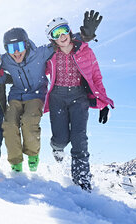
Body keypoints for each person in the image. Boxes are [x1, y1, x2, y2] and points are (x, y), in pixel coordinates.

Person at [0, 11, 102, 172]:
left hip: (44, 96)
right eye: (11, 48)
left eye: (19, 46)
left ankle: (36, 157)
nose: (16, 52)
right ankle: (17, 163)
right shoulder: (6, 59)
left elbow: (63, 41)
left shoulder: (41, 53)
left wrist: (84, 35)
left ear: (26, 44)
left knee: (31, 122)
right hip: (26, 97)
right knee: (9, 124)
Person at [43, 17, 114, 191]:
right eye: (56, 33)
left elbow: (96, 76)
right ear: (52, 38)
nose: (62, 36)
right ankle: (57, 147)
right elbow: (34, 67)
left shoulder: (85, 51)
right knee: (61, 138)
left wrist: (103, 103)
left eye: (64, 30)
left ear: (69, 30)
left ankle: (82, 181)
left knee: (79, 139)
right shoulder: (50, 54)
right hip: (57, 98)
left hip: (79, 97)